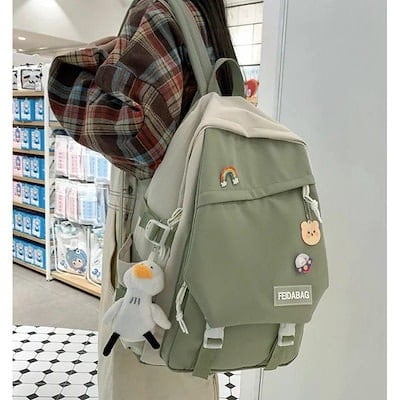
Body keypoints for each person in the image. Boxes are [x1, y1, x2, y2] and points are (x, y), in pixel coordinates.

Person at [47, 0, 237, 399]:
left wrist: (94, 63)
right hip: (196, 223)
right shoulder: (207, 19)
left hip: (150, 229)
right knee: (185, 357)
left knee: (139, 366)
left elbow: (140, 135)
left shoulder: (156, 9)